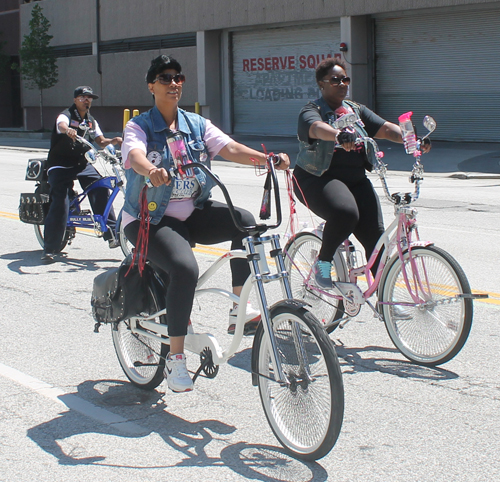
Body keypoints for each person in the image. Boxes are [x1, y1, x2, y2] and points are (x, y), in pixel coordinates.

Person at [121, 55, 290, 393]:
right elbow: (135, 155)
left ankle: (237, 310)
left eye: (178, 77)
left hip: (192, 212)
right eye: (165, 78)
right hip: (149, 220)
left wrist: (267, 160)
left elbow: (229, 148)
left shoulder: (196, 124)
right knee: (185, 269)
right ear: (151, 86)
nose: (174, 83)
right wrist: (150, 170)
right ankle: (176, 360)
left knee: (244, 222)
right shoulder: (139, 126)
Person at [294, 57, 431, 290]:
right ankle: (323, 262)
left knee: (377, 240)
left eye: (345, 79)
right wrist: (338, 135)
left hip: (355, 180)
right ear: (321, 84)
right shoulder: (312, 110)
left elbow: (386, 129)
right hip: (317, 178)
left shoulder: (355, 110)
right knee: (346, 213)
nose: (342, 83)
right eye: (335, 80)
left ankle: (385, 301)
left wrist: (412, 139)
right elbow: (316, 128)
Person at [41, 86, 123, 263]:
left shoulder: (91, 121)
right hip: (60, 164)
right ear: (75, 99)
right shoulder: (66, 115)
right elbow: (61, 125)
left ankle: (111, 234)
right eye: (83, 97)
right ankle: (50, 248)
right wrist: (67, 130)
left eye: (89, 98)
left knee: (101, 188)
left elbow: (100, 141)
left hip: (81, 163)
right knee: (60, 200)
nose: (87, 100)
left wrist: (113, 141)